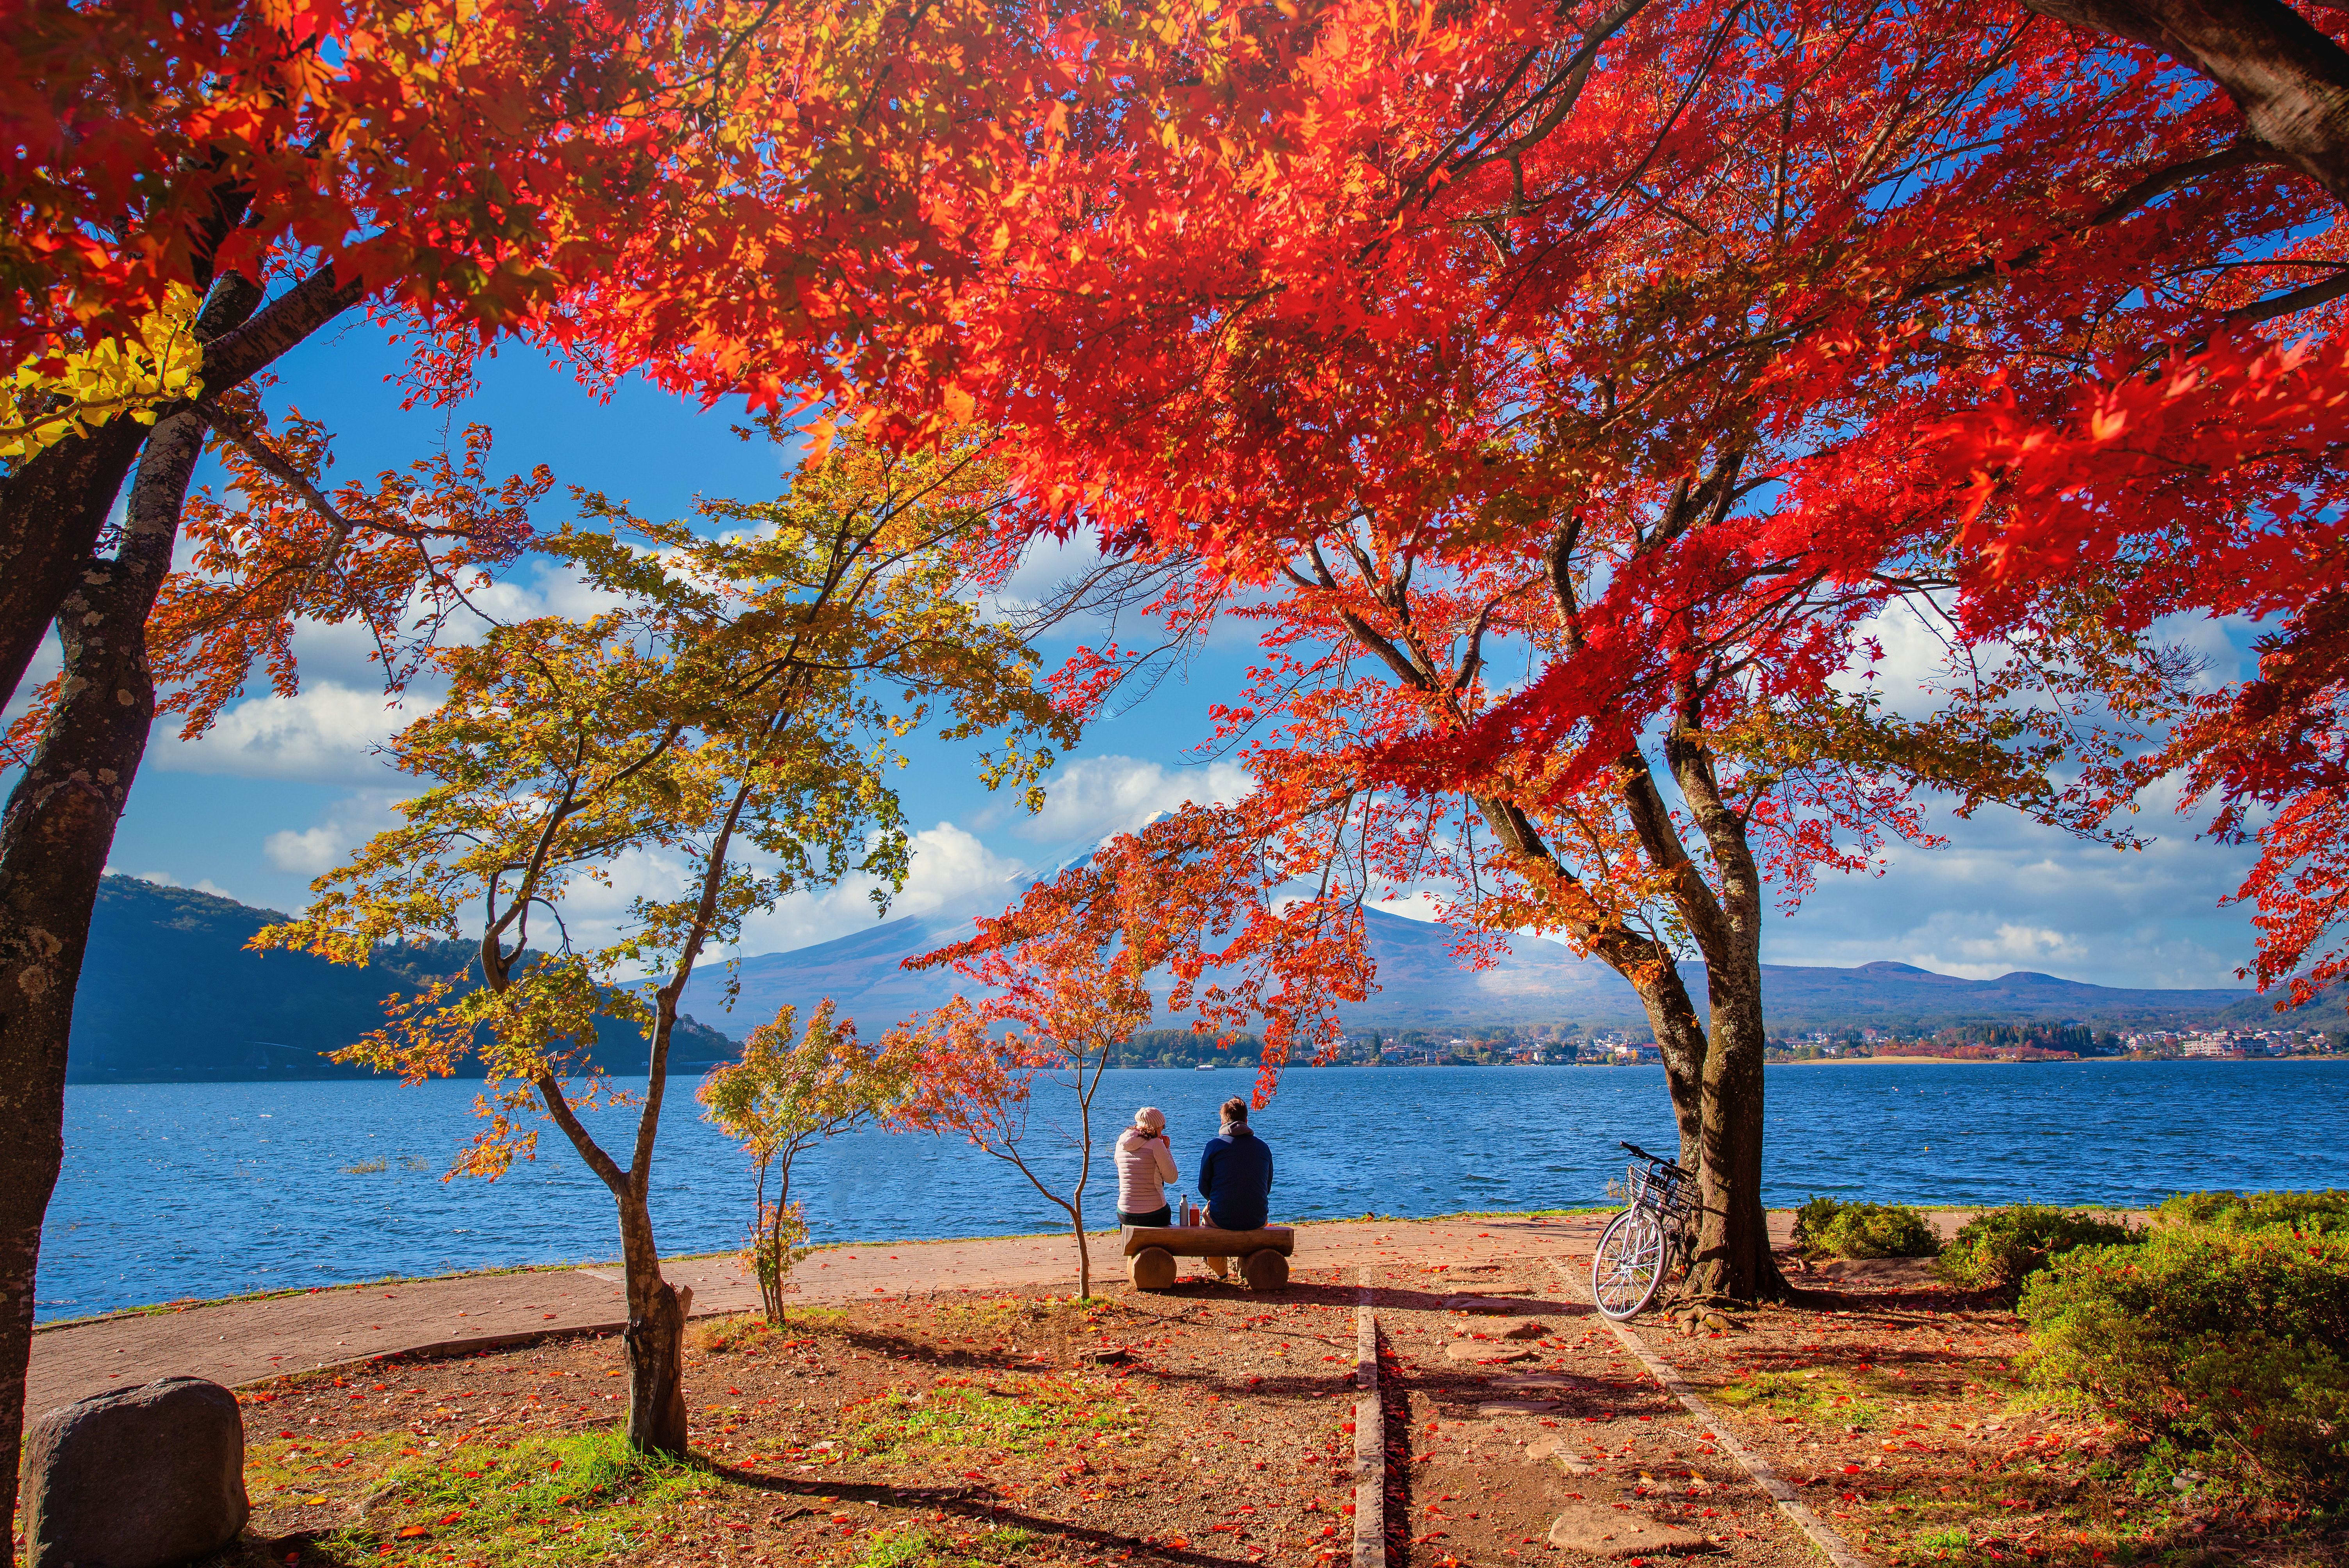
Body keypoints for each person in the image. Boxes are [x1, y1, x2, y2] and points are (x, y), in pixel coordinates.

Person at [1197, 1096, 1274, 1231]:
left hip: (1222, 1219)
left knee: (1206, 1216)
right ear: (1246, 1121)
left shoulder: (1213, 1146)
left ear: (1222, 1122)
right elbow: (1266, 1188)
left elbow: (1204, 1187)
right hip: (1257, 1219)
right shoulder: (1263, 1148)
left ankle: (1215, 1253)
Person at [1115, 1107, 1178, 1228]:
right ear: (1156, 1127)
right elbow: (1172, 1178)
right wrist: (1167, 1149)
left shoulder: (1120, 1144)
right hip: (1154, 1214)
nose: (1162, 1132)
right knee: (1166, 1210)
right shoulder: (1156, 1144)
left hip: (1125, 1213)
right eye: (1162, 1128)